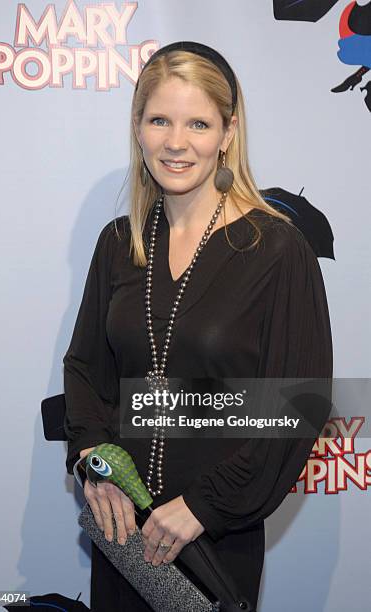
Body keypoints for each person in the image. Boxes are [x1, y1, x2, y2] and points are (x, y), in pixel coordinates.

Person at [63, 41, 333, 611]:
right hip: (124, 535)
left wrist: (203, 507)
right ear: (138, 127)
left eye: (199, 123)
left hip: (215, 540)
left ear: (228, 132)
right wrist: (98, 464)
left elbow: (299, 405)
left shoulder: (277, 249)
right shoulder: (118, 243)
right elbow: (86, 371)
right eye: (160, 119)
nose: (176, 142)